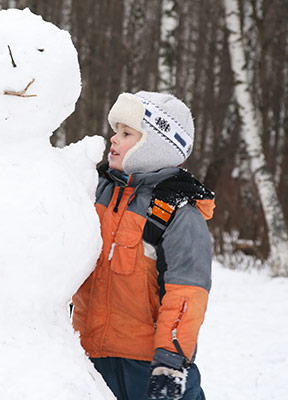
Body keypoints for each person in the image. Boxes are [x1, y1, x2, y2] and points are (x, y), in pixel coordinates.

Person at [72, 91, 215, 400]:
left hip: (149, 366)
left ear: (155, 145)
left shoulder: (178, 213)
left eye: (126, 133)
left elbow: (186, 295)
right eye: (115, 131)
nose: (113, 139)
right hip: (88, 358)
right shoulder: (93, 192)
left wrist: (171, 361)